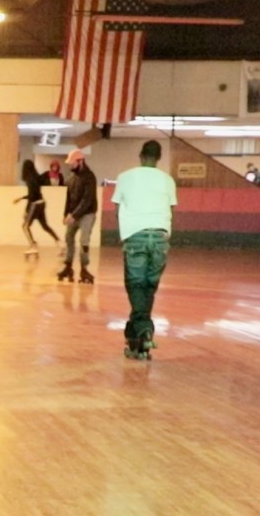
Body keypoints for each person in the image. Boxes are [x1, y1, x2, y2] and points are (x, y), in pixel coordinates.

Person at [110, 140, 178, 362]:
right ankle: (137, 339)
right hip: (160, 237)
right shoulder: (168, 180)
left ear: (141, 156)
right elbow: (170, 210)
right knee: (148, 288)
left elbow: (117, 208)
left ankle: (144, 329)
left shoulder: (125, 176)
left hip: (135, 236)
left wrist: (126, 232)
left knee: (136, 286)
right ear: (158, 158)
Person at [58, 149, 98, 284]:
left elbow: (87, 200)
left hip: (87, 214)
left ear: (80, 161)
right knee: (69, 237)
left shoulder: (89, 177)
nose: (70, 165)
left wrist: (73, 215)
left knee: (84, 241)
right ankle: (68, 266)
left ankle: (84, 268)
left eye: (72, 163)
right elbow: (68, 199)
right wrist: (65, 214)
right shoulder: (71, 178)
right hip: (74, 214)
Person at [14, 159, 60, 256]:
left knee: (25, 226)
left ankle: (33, 246)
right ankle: (60, 243)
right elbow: (34, 194)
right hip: (42, 202)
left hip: (35, 204)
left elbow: (32, 196)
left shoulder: (29, 180)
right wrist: (20, 198)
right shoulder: (35, 177)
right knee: (45, 226)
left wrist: (26, 210)